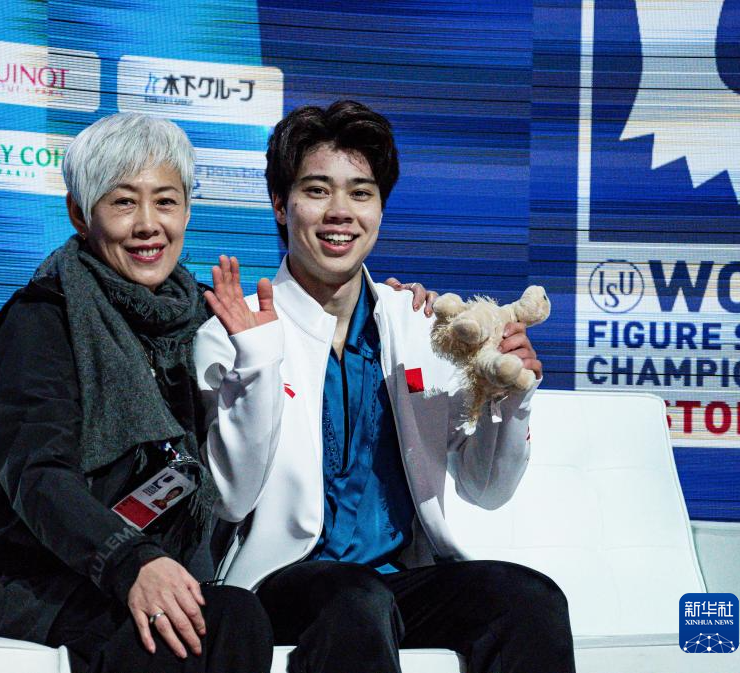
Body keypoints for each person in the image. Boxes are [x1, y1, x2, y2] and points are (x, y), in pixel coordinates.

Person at [195, 101, 576, 673]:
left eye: (361, 193)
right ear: (279, 203)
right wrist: (257, 359)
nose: (340, 212)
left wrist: (510, 399)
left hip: (398, 584)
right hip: (280, 583)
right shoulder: (234, 331)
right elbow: (232, 497)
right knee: (355, 601)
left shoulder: (420, 324)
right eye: (317, 191)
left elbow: (486, 489)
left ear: (380, 208)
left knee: (530, 600)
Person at [0, 112, 274, 673]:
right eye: (123, 202)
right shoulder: (40, 321)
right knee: (198, 625)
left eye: (165, 202)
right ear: (80, 214)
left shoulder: (203, 323)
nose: (148, 225)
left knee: (235, 613)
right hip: (25, 579)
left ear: (187, 211)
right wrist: (128, 561)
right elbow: (38, 475)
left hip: (146, 572)